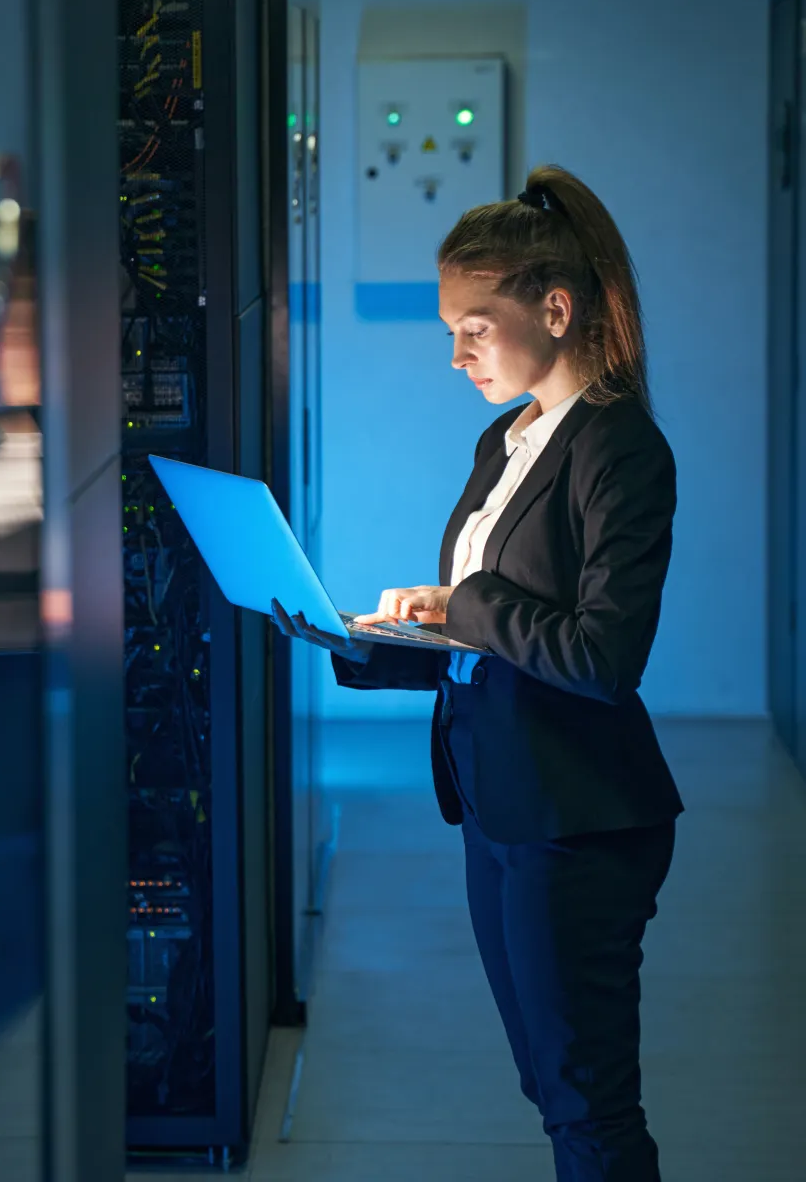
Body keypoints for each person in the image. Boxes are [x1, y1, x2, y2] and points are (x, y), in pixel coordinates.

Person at [272, 163, 682, 1182]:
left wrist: (461, 605)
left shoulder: (619, 448)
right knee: (552, 1088)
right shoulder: (505, 439)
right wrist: (364, 644)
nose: (454, 354)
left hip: (576, 817)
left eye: (472, 325)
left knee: (585, 1101)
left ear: (554, 308)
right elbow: (495, 646)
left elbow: (599, 656)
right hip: (501, 797)